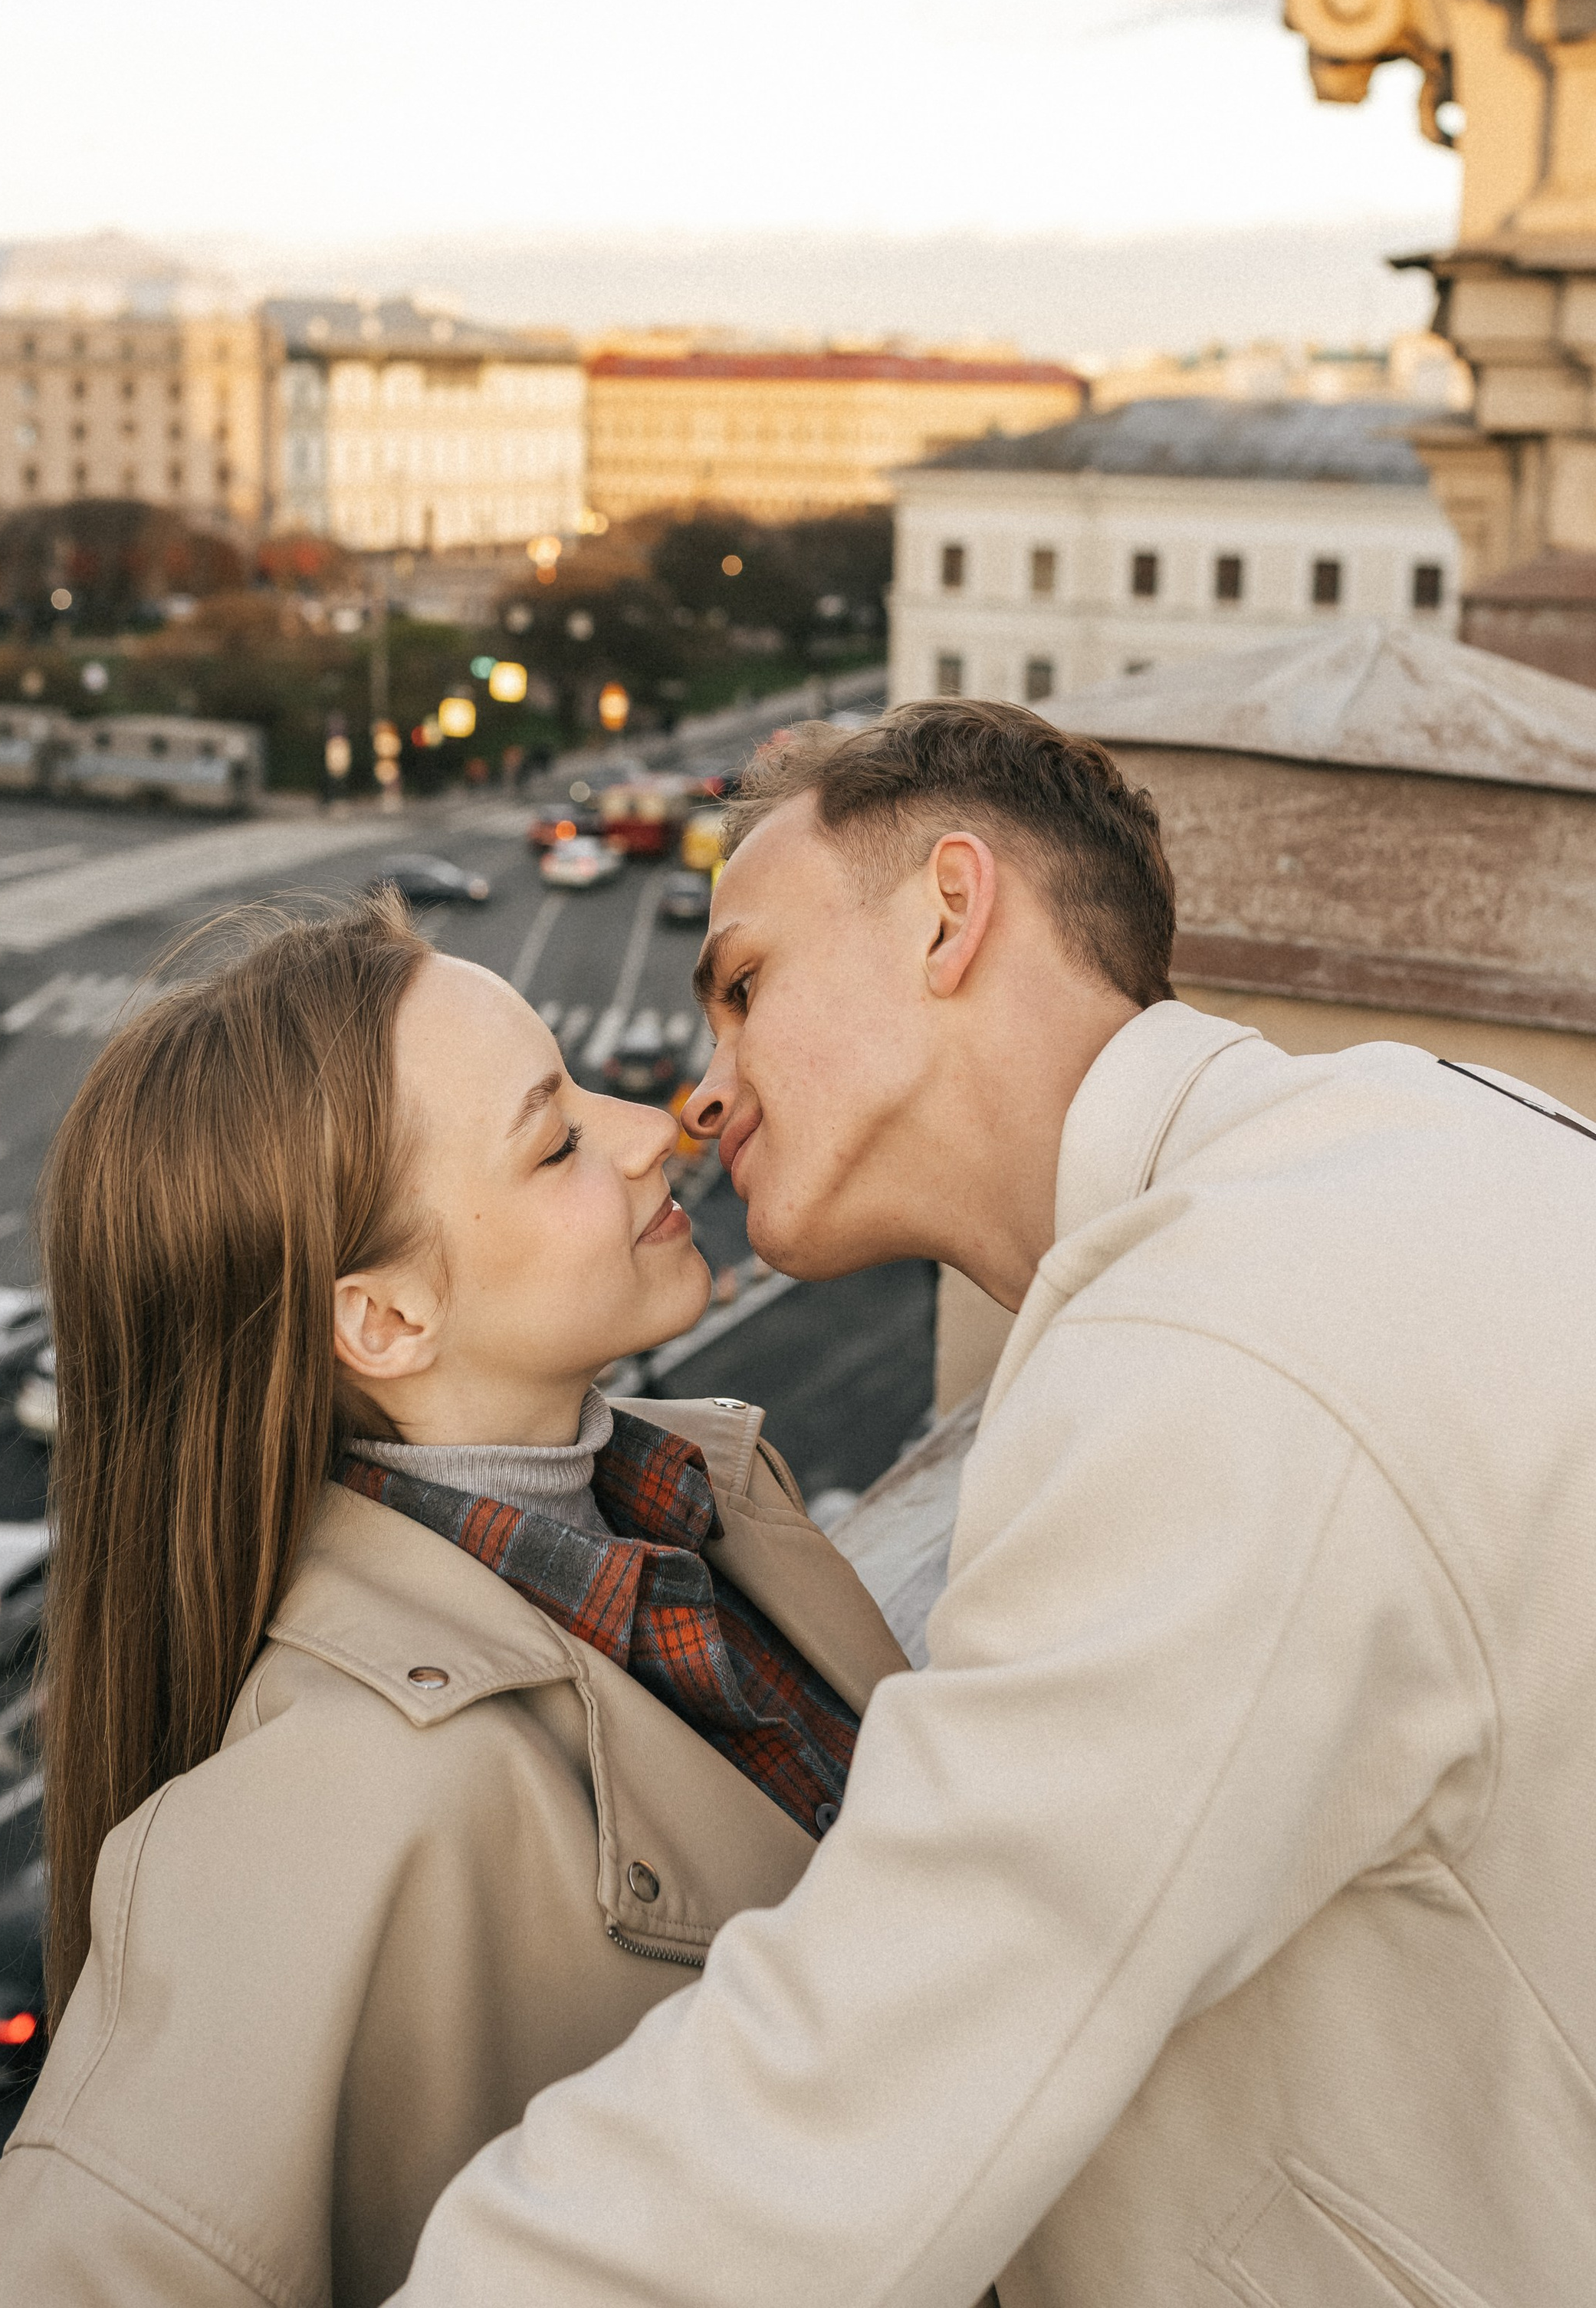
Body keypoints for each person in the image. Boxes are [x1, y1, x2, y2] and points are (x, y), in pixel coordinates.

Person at [392, 700, 1596, 2308]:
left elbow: (856, 2082)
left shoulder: (1231, 1344)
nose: (700, 1097)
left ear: (948, 914)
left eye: (743, 989)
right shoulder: (1399, 1148)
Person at [0, 896, 904, 2308]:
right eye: (556, 1141)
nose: (652, 1129)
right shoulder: (330, 1800)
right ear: (384, 1318)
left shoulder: (706, 1499)